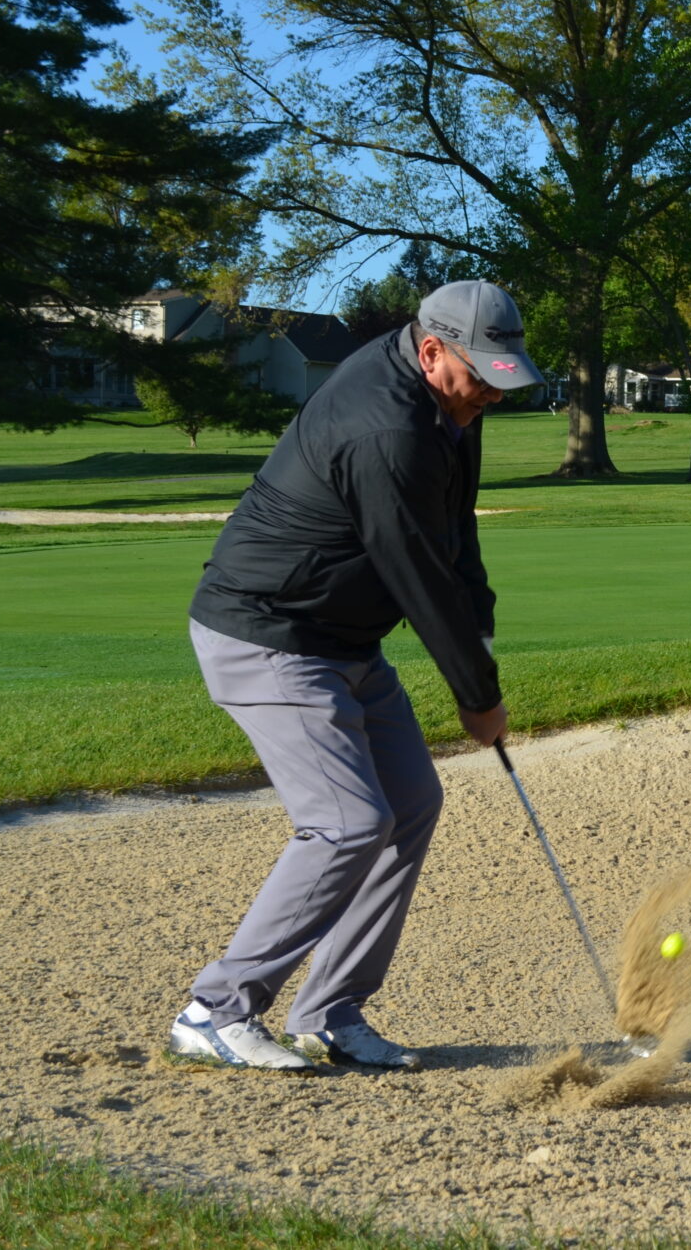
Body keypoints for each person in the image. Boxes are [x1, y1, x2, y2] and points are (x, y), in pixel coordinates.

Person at [168, 280, 544, 1072]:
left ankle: (330, 1012)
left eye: (499, 382)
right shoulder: (387, 428)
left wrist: (482, 633)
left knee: (411, 802)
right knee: (347, 821)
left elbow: (456, 543)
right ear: (433, 350)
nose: (488, 400)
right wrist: (477, 696)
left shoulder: (451, 404)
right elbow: (418, 576)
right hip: (270, 633)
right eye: (480, 379)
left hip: (343, 641)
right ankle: (216, 1010)